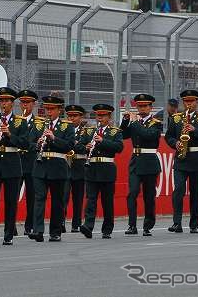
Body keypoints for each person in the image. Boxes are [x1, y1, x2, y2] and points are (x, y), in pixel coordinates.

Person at [165, 90, 198, 234]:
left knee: (195, 192)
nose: (189, 104)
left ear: (196, 102)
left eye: (192, 101)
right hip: (181, 159)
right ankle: (177, 223)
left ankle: (194, 224)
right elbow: (168, 137)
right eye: (186, 101)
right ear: (183, 102)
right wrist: (175, 143)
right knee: (178, 190)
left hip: (197, 158)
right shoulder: (175, 118)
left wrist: (194, 130)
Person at [0, 87, 28, 246]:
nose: (4, 104)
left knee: (10, 201)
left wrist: (9, 135)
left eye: (7, 101)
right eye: (1, 100)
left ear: (12, 103)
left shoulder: (20, 122)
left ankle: (8, 234)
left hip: (11, 163)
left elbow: (25, 143)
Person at [29, 95, 74, 243]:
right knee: (39, 198)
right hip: (40, 166)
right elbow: (28, 143)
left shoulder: (66, 126)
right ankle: (38, 231)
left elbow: (69, 146)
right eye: (47, 109)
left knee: (57, 201)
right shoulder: (39, 125)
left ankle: (55, 232)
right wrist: (37, 143)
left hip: (58, 167)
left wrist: (54, 138)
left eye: (52, 109)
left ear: (59, 110)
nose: (48, 112)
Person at [120, 94, 162, 237]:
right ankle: (132, 225)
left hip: (149, 160)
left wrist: (135, 122)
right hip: (136, 161)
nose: (142, 109)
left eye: (145, 106)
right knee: (132, 193)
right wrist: (125, 121)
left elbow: (148, 135)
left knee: (149, 196)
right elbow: (123, 135)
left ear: (150, 107)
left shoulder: (156, 122)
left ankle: (148, 225)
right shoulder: (134, 122)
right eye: (139, 106)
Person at [79, 104, 123, 240]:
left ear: (109, 117)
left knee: (107, 201)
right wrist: (85, 147)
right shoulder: (89, 131)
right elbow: (78, 145)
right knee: (90, 199)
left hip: (107, 169)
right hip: (92, 168)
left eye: (103, 116)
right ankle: (88, 226)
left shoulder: (115, 132)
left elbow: (119, 147)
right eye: (98, 116)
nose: (100, 119)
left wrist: (103, 141)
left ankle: (107, 229)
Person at [63, 104, 91, 233]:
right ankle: (61, 222)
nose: (72, 118)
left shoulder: (86, 131)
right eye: (70, 116)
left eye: (75, 116)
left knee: (78, 197)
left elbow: (85, 148)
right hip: (65, 165)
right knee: (63, 196)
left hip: (79, 165)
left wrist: (74, 144)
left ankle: (76, 223)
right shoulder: (64, 129)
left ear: (81, 117)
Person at [17, 89, 39, 235]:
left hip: (31, 163)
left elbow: (37, 143)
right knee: (12, 196)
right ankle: (10, 227)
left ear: (34, 104)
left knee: (32, 196)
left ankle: (29, 225)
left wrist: (26, 145)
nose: (25, 105)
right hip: (16, 162)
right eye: (23, 102)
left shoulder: (39, 123)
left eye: (28, 102)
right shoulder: (15, 121)